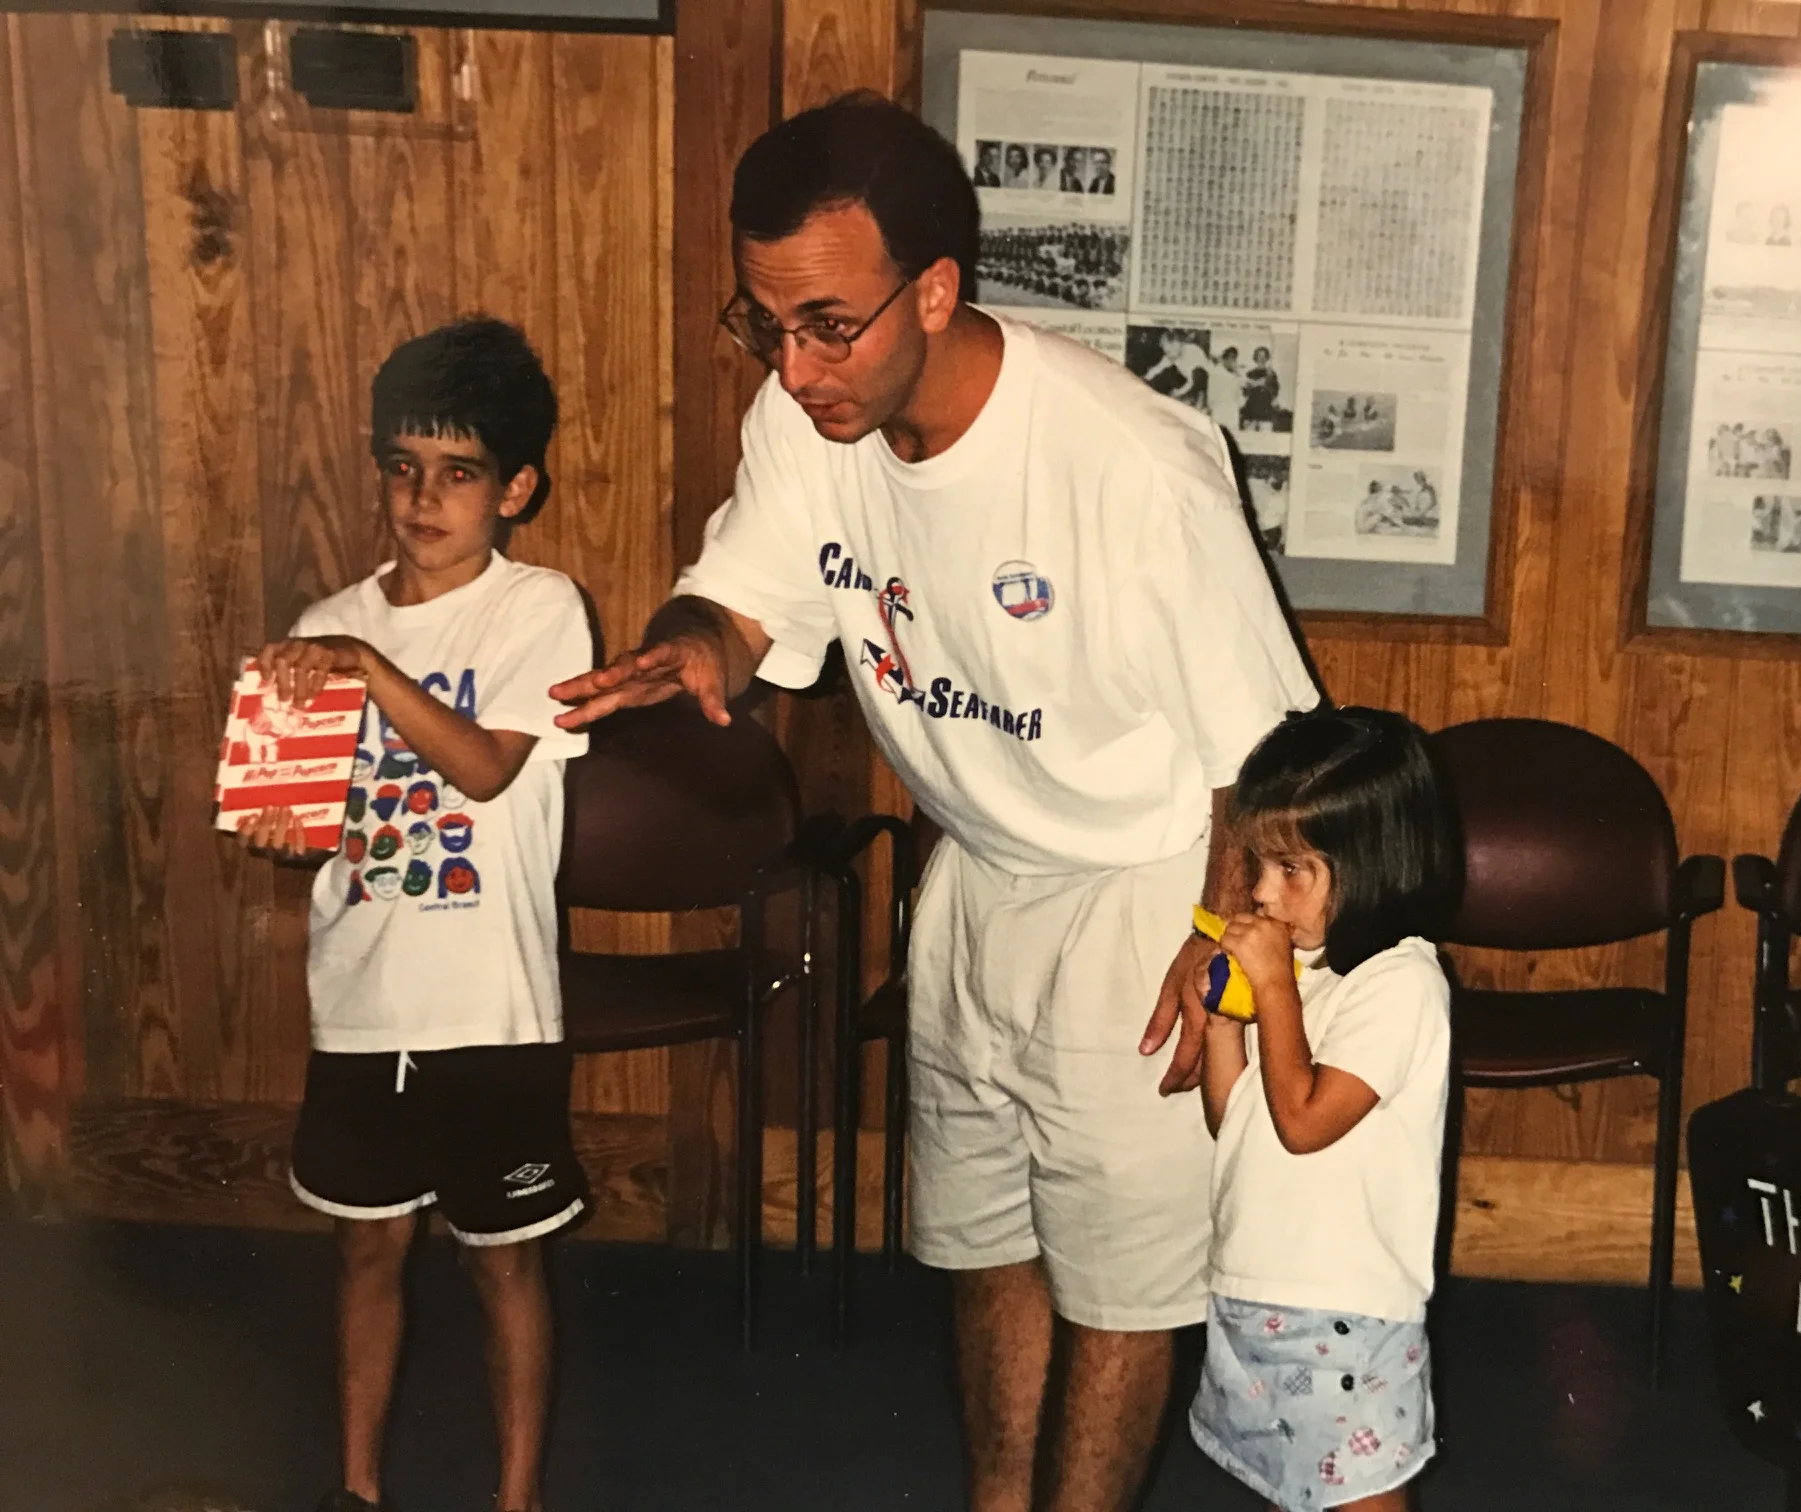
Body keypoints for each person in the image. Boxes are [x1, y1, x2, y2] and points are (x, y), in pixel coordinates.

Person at [550, 93, 1317, 1512]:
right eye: (765, 326)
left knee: (1121, 1291)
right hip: (975, 877)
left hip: (1147, 887)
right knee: (985, 1245)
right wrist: (690, 648)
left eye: (828, 326)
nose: (795, 369)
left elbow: (1266, 757)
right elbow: (742, 602)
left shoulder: (1133, 462)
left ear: (937, 291)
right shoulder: (807, 420)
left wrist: (1221, 939)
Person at [237, 318, 593, 1512]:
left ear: (515, 489)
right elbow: (299, 828)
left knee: (505, 1263)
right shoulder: (324, 625)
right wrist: (278, 826)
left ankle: (516, 1497)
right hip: (364, 998)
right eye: (403, 467)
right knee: (366, 1247)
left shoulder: (540, 607)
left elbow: (485, 769)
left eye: (458, 471)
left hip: (491, 1005)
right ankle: (357, 1489)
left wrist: (370, 670)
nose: (423, 498)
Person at [1190, 706, 1459, 1512]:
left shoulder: (1400, 984)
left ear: (1371, 862)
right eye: (1258, 865)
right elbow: (1240, 1120)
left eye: (1290, 870)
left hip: (1345, 1311)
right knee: (1288, 1487)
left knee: (1358, 1495)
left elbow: (1305, 1122)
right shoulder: (1309, 968)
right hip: (1256, 1293)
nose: (1261, 893)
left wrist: (1273, 987)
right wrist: (1222, 1023)